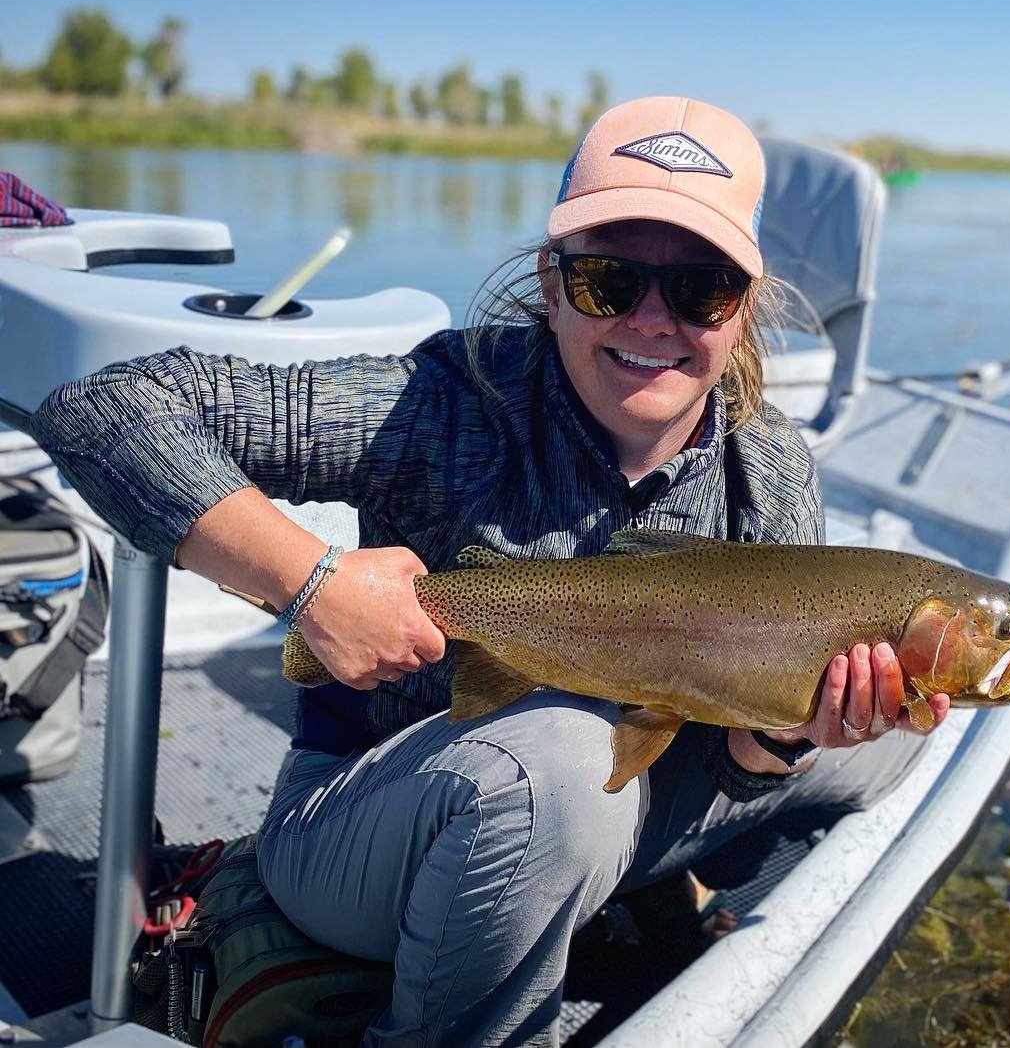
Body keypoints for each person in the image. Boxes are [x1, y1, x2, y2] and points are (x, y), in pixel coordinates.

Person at [30, 96, 950, 1047]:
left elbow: (737, 761)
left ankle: (612, 887)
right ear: (551, 283)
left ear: (742, 307)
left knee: (901, 730)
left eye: (699, 289)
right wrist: (312, 584)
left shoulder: (769, 471)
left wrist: (784, 740)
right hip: (360, 832)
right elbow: (106, 406)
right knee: (557, 761)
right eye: (607, 279)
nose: (652, 319)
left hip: (620, 800)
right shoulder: (435, 405)